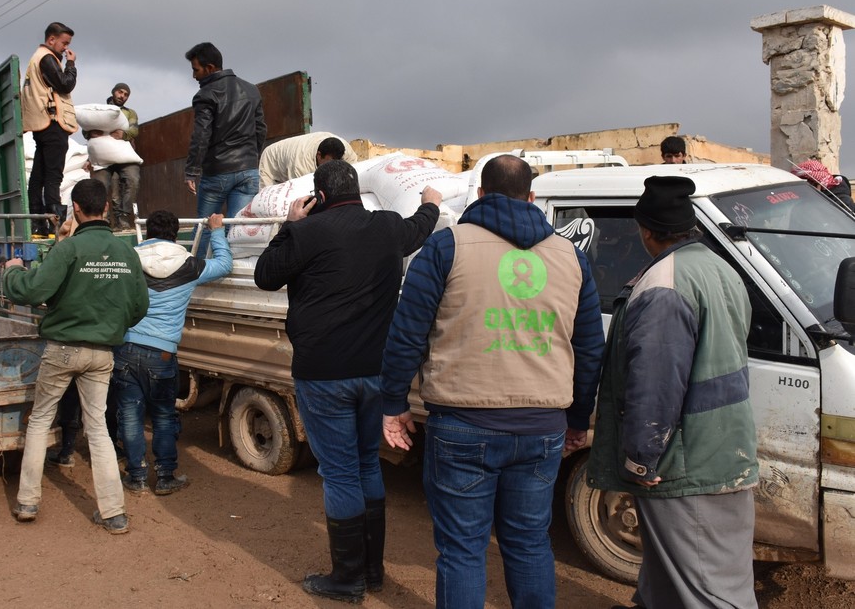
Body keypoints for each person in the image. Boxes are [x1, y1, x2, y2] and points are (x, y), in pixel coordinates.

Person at [380, 154, 604, 609]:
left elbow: (407, 332)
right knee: (529, 543)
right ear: (532, 198)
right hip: (542, 429)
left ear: (480, 195)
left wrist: (393, 402)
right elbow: (589, 348)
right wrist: (578, 419)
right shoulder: (572, 259)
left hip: (462, 424)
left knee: (463, 551)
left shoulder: (446, 248)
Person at [254, 160, 441, 603]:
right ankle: (372, 571)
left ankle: (348, 578)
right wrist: (431, 203)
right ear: (358, 191)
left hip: (323, 375)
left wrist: (289, 223)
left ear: (318, 195)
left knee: (339, 474)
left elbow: (265, 276)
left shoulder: (306, 233)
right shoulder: (388, 228)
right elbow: (420, 226)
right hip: (376, 372)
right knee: (366, 465)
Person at [587, 176, 759, 609]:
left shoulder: (663, 284)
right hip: (724, 447)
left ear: (646, 231)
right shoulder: (721, 268)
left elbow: (656, 384)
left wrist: (641, 458)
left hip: (684, 465)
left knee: (710, 591)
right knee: (668, 577)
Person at [3, 178, 149, 534]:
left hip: (63, 349)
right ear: (105, 209)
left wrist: (11, 274)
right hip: (103, 353)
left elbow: (34, 289)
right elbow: (139, 306)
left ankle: (27, 501)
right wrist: (111, 325)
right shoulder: (126, 253)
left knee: (40, 420)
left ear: (77, 210)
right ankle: (114, 513)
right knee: (97, 428)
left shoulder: (68, 250)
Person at [114, 209, 233, 496]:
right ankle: (166, 476)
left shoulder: (129, 260)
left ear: (149, 232)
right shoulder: (190, 265)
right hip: (163, 354)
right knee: (164, 415)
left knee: (130, 415)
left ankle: (137, 476)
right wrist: (215, 230)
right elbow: (225, 264)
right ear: (175, 233)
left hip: (127, 348)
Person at [184, 41, 266, 257]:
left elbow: (201, 135)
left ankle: (198, 276)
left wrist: (192, 170)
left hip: (218, 172)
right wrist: (251, 160)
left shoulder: (206, 95)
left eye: (196, 69)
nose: (194, 76)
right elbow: (261, 130)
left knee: (205, 228)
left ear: (210, 68)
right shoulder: (251, 90)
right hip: (248, 171)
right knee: (235, 228)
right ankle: (229, 271)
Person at [23, 21, 78, 237]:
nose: (66, 49)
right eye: (64, 43)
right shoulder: (47, 58)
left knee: (38, 176)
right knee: (53, 177)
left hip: (42, 125)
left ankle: (37, 225)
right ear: (51, 39)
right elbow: (65, 83)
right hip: (53, 124)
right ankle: (55, 226)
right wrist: (71, 65)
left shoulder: (35, 58)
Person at [89, 82, 140, 231]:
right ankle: (103, 220)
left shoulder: (130, 113)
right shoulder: (100, 110)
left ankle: (123, 217)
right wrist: (90, 133)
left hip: (124, 155)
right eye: (120, 92)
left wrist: (124, 134)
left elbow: (134, 130)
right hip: (103, 155)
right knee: (102, 187)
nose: (122, 96)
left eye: (126, 94)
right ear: (113, 92)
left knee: (133, 180)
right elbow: (88, 127)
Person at [258, 132, 358, 187]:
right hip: (271, 159)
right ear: (319, 155)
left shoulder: (347, 152)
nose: (332, 168)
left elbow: (354, 175)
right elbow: (301, 191)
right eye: (328, 163)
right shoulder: (301, 165)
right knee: (266, 200)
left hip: (296, 153)